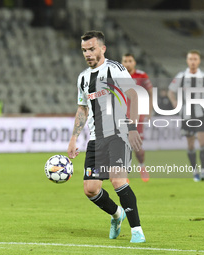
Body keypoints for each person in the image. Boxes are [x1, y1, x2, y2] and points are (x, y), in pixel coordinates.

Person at [67, 31, 145, 243]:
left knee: (117, 180)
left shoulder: (115, 69)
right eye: (84, 50)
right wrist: (74, 138)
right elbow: (82, 108)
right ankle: (117, 215)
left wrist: (132, 127)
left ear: (103, 49)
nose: (88, 54)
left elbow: (134, 95)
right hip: (95, 139)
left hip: (118, 134)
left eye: (92, 49)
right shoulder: (83, 78)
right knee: (91, 189)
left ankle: (137, 230)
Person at [167, 50, 204, 182]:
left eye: (195, 59)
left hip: (201, 114)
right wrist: (175, 103)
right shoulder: (181, 76)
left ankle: (203, 171)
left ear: (199, 61)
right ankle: (195, 172)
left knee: (203, 142)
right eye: (190, 59)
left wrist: (203, 101)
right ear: (187, 61)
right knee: (191, 145)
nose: (193, 61)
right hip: (186, 115)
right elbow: (171, 92)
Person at [122, 53, 153, 182]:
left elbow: (150, 93)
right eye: (125, 61)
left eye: (130, 61)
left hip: (138, 115)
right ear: (122, 63)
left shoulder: (141, 76)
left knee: (137, 147)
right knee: (122, 144)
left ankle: (142, 166)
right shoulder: (117, 76)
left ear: (134, 62)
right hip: (121, 115)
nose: (128, 63)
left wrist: (149, 112)